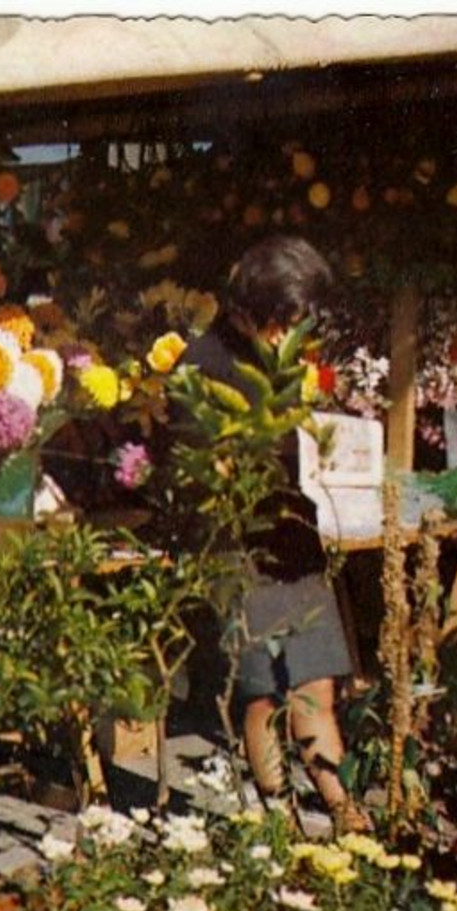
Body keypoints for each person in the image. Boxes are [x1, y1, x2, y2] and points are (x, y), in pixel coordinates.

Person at [180, 234, 372, 835]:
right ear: (247, 309)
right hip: (240, 548)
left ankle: (341, 805)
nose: (290, 335)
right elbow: (191, 473)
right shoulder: (202, 366)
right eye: (283, 322)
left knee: (315, 678)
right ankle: (278, 813)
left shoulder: (284, 359)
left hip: (292, 541)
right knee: (263, 689)